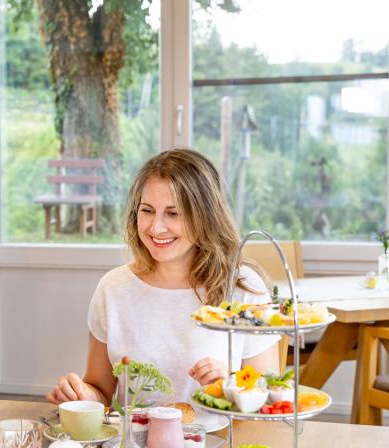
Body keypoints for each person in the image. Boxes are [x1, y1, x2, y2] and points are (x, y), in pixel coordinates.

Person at [47, 148, 279, 407]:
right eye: (147, 211)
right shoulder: (113, 288)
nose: (156, 228)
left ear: (205, 217)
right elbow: (100, 391)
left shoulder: (243, 288)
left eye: (173, 213)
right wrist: (80, 394)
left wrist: (233, 386)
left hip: (223, 444)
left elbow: (270, 400)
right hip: (136, 445)